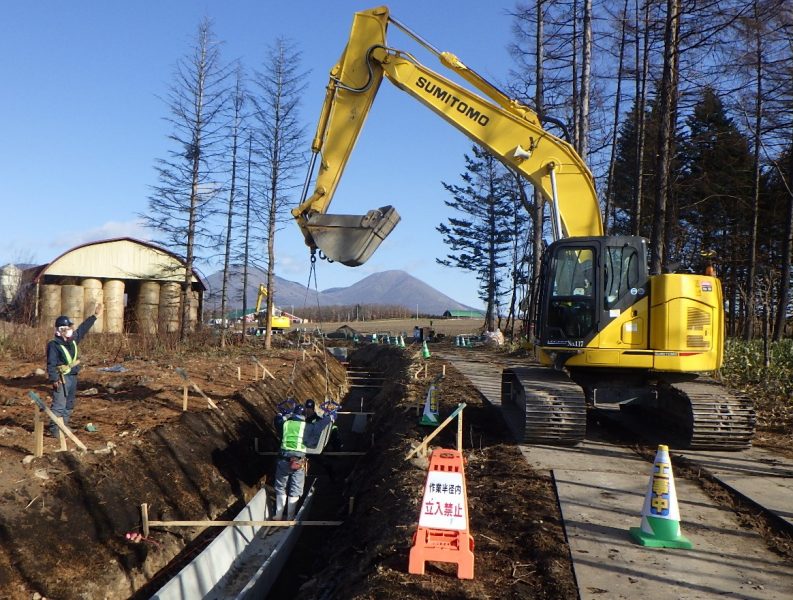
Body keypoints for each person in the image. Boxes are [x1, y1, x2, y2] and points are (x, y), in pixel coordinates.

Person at [46, 304, 103, 437]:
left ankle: (63, 426)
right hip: (62, 379)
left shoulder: (72, 341)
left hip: (73, 376)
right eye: (69, 328)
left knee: (69, 403)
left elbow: (83, 328)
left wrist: (95, 316)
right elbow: (51, 363)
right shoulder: (54, 345)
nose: (72, 330)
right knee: (59, 404)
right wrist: (54, 379)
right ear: (61, 330)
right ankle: (55, 430)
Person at [273, 402, 335, 520]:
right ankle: (290, 517)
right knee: (295, 488)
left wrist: (283, 414)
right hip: (298, 462)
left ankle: (278, 515)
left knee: (280, 487)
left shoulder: (285, 424)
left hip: (283, 460)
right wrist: (331, 416)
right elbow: (321, 425)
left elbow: (277, 419)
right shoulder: (307, 426)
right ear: (304, 415)